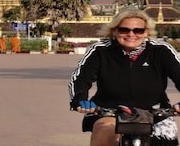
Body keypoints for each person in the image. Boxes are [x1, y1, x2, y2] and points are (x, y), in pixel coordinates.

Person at [68, 9, 180, 146]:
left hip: (156, 113)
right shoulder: (100, 50)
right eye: (124, 30)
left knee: (166, 140)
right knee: (105, 131)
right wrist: (79, 98)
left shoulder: (161, 50)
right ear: (114, 31)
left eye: (138, 30)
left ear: (146, 32)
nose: (131, 34)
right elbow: (81, 78)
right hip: (109, 112)